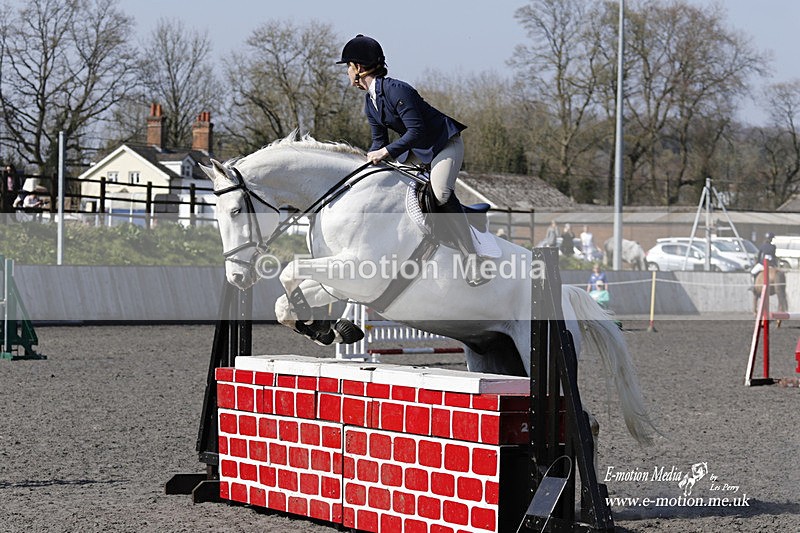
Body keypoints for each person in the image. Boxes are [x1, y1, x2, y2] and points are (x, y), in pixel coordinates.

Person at [338, 35, 487, 286]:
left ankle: (472, 259)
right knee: (390, 184)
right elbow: (378, 141)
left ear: (359, 68)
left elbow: (415, 132)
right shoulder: (371, 101)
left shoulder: (397, 90)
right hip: (419, 148)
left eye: (347, 68)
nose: (347, 74)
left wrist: (385, 153)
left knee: (440, 192)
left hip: (444, 144)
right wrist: (366, 166)